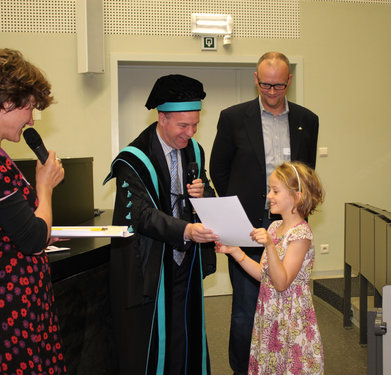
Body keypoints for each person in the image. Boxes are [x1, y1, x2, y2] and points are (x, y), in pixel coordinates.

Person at [209, 51, 319, 374]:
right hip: (247, 225)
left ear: (290, 81)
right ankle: (244, 369)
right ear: (255, 80)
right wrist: (243, 208)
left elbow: (306, 174)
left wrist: (289, 210)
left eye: (279, 86)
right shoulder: (232, 118)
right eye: (266, 85)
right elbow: (219, 169)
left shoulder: (306, 121)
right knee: (245, 307)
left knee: (285, 303)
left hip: (288, 224)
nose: (272, 92)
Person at [104, 74, 218, 375]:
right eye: (183, 125)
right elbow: (140, 214)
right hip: (152, 265)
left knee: (186, 333)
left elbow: (206, 190)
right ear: (162, 117)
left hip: (187, 261)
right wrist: (186, 230)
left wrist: (203, 194)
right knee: (154, 344)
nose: (190, 132)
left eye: (195, 124)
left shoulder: (195, 150)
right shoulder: (133, 160)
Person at [216, 161, 325, 374]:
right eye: (269, 190)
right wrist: (236, 252)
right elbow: (264, 275)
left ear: (297, 196)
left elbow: (282, 282)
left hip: (290, 319)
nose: (269, 196)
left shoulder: (301, 235)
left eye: (275, 191)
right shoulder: (275, 226)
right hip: (270, 313)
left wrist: (268, 245)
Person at [0, 48, 66, 374]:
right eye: (28, 107)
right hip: (10, 308)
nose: (31, 118)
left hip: (22, 301)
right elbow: (34, 238)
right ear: (6, 101)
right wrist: (45, 187)